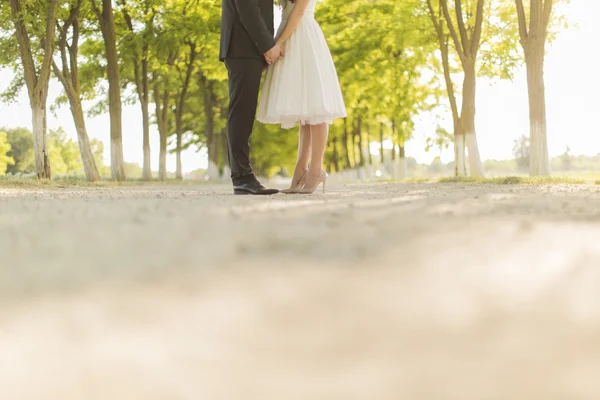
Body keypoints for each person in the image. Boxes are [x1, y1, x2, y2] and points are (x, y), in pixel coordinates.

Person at [257, 0, 346, 194]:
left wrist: (278, 43)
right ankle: (300, 171)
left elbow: (298, 12)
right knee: (306, 113)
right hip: (291, 33)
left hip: (303, 37)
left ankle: (316, 170)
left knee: (316, 107)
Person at [219, 0, 284, 195]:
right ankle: (242, 177)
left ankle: (242, 176)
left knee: (244, 112)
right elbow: (247, 7)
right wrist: (266, 45)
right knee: (241, 111)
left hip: (246, 47)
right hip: (242, 45)